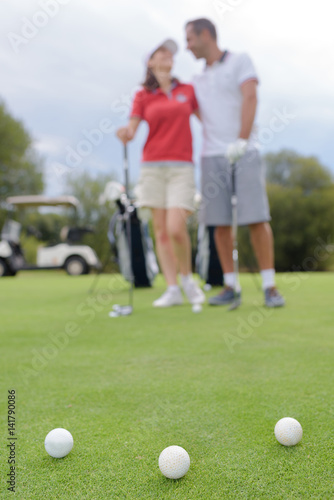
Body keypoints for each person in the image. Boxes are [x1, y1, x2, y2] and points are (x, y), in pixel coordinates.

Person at [185, 18, 285, 307]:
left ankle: (269, 286)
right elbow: (194, 111)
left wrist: (241, 140)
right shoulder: (197, 79)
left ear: (206, 35)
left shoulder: (240, 60)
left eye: (190, 39)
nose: (188, 46)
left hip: (245, 150)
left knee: (256, 217)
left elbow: (251, 96)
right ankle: (230, 285)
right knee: (218, 223)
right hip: (211, 155)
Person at [116, 39, 205, 307]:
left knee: (176, 227)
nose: (168, 55)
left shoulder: (188, 90)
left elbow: (206, 121)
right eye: (161, 52)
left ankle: (188, 280)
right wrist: (125, 134)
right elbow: (131, 131)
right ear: (150, 62)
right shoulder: (142, 95)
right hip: (152, 167)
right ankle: (172, 289)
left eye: (170, 53)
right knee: (160, 230)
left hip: (181, 167)